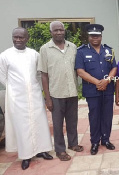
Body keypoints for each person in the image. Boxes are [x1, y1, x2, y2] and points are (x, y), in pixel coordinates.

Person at [0, 27, 53, 170]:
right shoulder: (5, 55)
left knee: (39, 122)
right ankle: (26, 155)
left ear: (27, 38)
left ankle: (42, 149)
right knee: (22, 126)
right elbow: (3, 76)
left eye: (21, 37)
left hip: (34, 95)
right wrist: (16, 89)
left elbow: (39, 73)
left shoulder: (34, 54)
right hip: (17, 98)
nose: (18, 40)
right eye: (15, 37)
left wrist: (33, 88)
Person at [38, 21, 83, 161]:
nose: (58, 32)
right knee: (57, 124)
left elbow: (77, 70)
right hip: (56, 93)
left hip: (72, 92)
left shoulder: (73, 47)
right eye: (55, 30)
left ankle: (73, 143)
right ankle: (60, 150)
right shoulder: (45, 49)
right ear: (51, 32)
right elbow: (44, 75)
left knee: (72, 120)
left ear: (64, 31)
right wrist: (47, 98)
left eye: (61, 30)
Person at [75, 24, 117, 155]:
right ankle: (94, 142)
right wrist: (98, 82)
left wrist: (107, 80)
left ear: (101, 36)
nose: (95, 38)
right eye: (92, 36)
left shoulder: (109, 50)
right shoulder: (81, 51)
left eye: (97, 36)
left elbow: (114, 67)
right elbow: (80, 71)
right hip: (92, 91)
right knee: (94, 116)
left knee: (107, 115)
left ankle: (106, 139)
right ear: (88, 36)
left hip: (108, 89)